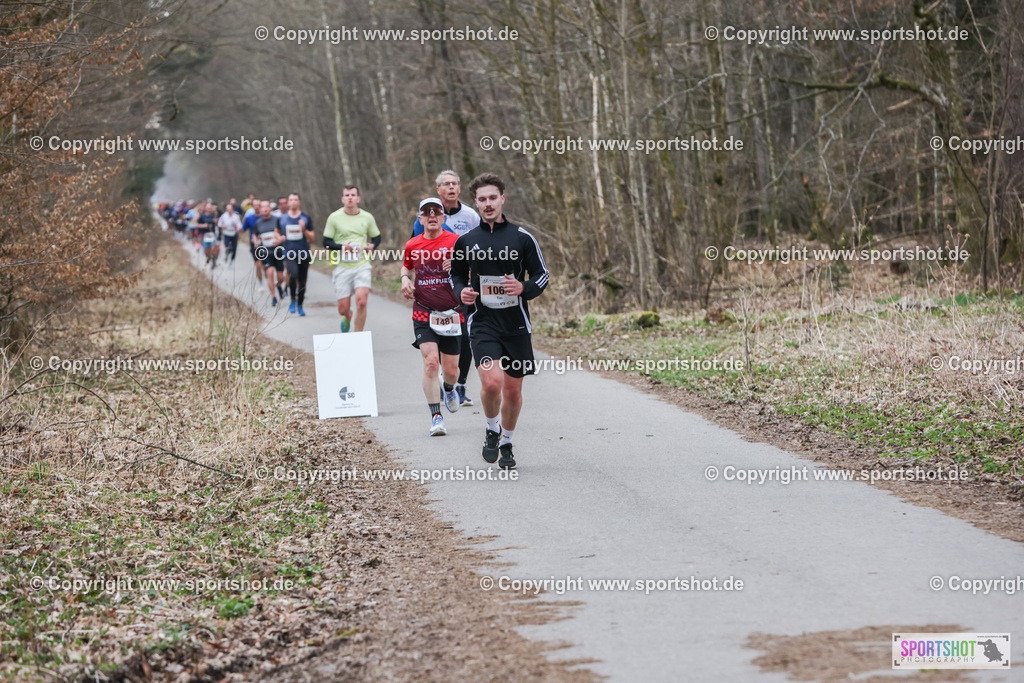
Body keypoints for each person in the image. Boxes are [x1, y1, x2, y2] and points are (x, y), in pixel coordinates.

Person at [450, 173, 549, 470]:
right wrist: (462, 292)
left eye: (493, 197)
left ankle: (506, 441)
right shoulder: (467, 241)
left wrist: (523, 288)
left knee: (513, 391)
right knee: (492, 382)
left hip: (516, 325)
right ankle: (492, 429)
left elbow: (542, 275)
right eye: (482, 199)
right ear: (476, 204)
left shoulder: (522, 237)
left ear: (502, 199)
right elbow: (455, 275)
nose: (488, 203)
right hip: (483, 321)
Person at [411, 170, 481, 407]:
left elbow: (481, 246)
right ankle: (440, 375)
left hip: (464, 284)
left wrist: (464, 263)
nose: (450, 187)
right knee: (438, 339)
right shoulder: (428, 215)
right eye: (445, 184)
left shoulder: (471, 216)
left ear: (459, 188)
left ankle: (458, 383)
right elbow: (417, 250)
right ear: (438, 190)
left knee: (465, 335)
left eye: (454, 183)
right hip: (434, 288)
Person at [402, 198, 463, 436]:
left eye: (436, 212)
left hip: (451, 312)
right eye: (426, 213)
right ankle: (436, 416)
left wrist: (457, 264)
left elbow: (472, 270)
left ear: (443, 217)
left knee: (451, 370)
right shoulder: (412, 244)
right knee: (430, 363)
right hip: (423, 310)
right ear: (421, 219)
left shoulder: (457, 242)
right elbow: (406, 266)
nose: (432, 216)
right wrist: (404, 278)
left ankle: (449, 388)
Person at [323, 185, 380, 332]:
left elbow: (376, 237)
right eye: (347, 195)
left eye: (353, 195)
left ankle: (357, 336)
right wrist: (342, 247)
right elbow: (326, 242)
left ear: (358, 198)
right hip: (342, 266)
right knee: (342, 308)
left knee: (362, 301)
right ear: (342, 199)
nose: (350, 197)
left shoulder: (367, 217)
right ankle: (347, 315)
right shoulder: (334, 217)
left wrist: (372, 245)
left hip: (362, 264)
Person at [275, 192, 314, 316]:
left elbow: (312, 238)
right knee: (293, 275)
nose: (293, 202)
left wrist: (304, 230)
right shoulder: (282, 218)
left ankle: (300, 305)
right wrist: (279, 237)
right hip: (289, 253)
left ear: (299, 202)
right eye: (291, 200)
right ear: (288, 202)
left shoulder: (306, 218)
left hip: (303, 253)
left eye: (295, 200)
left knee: (302, 281)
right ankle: (292, 300)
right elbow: (276, 232)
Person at [251, 200, 285, 306]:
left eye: (267, 207)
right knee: (269, 273)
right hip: (266, 252)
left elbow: (284, 234)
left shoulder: (277, 220)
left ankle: (278, 285)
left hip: (278, 251)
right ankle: (274, 297)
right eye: (262, 207)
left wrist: (280, 239)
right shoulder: (258, 223)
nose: (265, 209)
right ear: (259, 209)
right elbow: (255, 235)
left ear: (270, 209)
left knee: (281, 277)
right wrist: (255, 241)